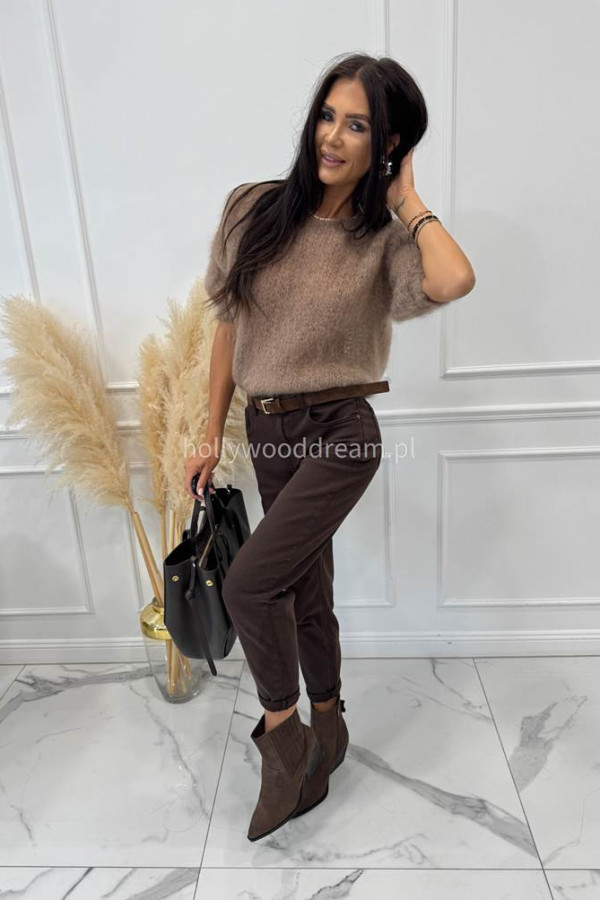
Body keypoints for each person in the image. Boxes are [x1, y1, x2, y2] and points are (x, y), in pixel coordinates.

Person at [184, 52, 476, 842]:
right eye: (327, 115)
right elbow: (228, 326)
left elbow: (454, 279)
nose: (333, 137)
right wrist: (210, 432)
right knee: (304, 587)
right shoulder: (252, 208)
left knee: (251, 585)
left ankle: (284, 740)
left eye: (358, 126)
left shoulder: (383, 241)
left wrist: (407, 199)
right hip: (267, 428)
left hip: (343, 431)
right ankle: (329, 722)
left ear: (387, 144)